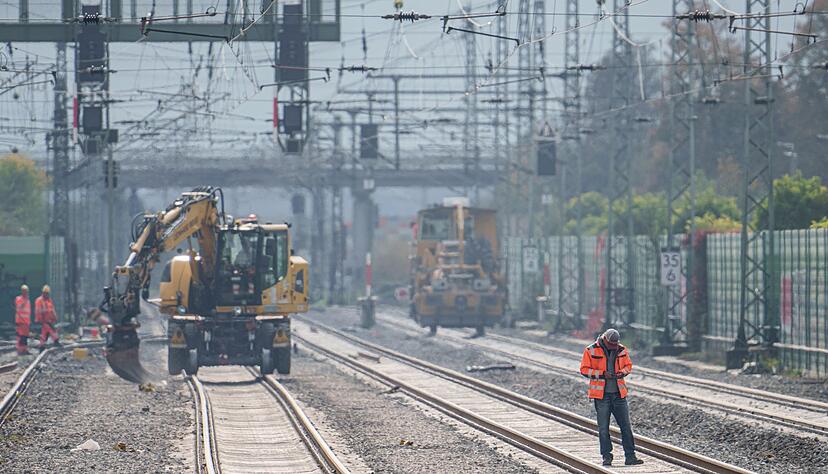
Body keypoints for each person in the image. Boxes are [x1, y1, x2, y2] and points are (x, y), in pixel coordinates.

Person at [579, 328, 643, 467]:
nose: (613, 347)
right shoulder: (590, 350)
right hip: (602, 396)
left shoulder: (621, 349)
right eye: (611, 344)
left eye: (615, 344)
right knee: (603, 428)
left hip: (619, 395)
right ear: (605, 340)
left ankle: (630, 457)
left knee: (626, 426)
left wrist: (622, 373)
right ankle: (606, 457)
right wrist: (602, 374)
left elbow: (628, 365)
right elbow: (584, 369)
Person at [35, 285, 60, 350]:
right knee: (52, 330)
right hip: (44, 320)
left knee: (44, 334)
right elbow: (38, 311)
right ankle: (56, 340)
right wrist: (40, 320)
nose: (47, 294)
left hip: (49, 320)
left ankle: (41, 346)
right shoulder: (39, 300)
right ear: (43, 293)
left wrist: (55, 317)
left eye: (47, 293)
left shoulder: (49, 300)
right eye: (46, 293)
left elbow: (52, 310)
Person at [14, 284, 31, 355]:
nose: (26, 293)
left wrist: (29, 320)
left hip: (26, 321)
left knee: (25, 336)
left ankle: (25, 349)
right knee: (21, 336)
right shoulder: (18, 299)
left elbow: (28, 311)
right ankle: (20, 350)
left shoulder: (28, 300)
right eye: (24, 291)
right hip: (20, 320)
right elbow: (19, 307)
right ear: (22, 291)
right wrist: (25, 301)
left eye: (26, 291)